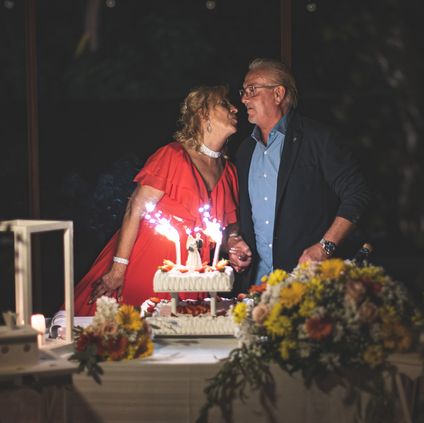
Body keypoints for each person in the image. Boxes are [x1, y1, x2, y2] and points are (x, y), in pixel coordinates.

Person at [72, 85, 251, 315]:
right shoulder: (171, 156)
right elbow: (134, 209)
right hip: (148, 267)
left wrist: (234, 243)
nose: (235, 108)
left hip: (193, 280)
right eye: (225, 104)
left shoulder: (230, 172)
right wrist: (118, 270)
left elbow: (226, 231)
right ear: (203, 114)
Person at [230, 58, 370, 289]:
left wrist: (326, 247)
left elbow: (357, 194)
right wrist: (236, 243)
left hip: (308, 283)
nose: (244, 98)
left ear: (278, 94)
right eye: (244, 91)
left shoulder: (318, 139)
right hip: (256, 286)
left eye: (252, 90)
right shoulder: (245, 151)